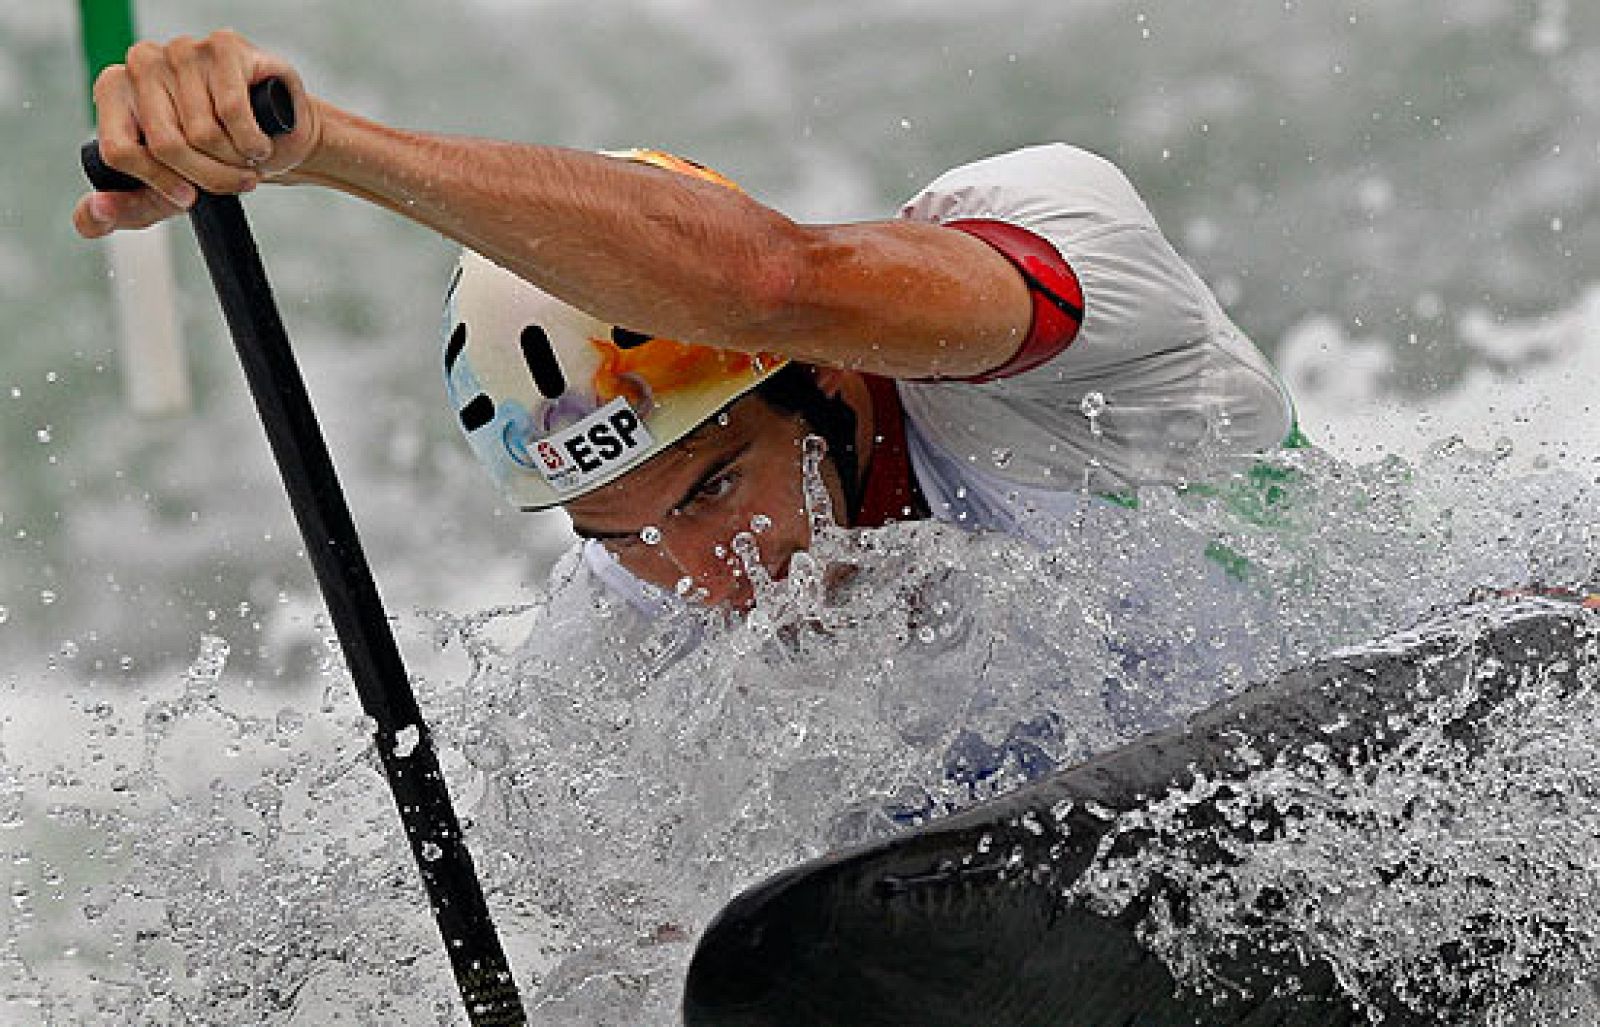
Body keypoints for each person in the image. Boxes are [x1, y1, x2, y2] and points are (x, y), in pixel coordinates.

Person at [74, 30, 1295, 627]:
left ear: (831, 376)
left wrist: (322, 149)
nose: (710, 582)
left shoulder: (1059, 300)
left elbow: (770, 280)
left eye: (714, 488)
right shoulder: (618, 635)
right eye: (621, 536)